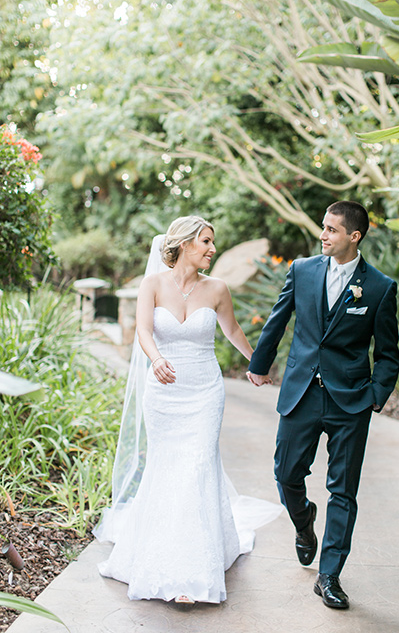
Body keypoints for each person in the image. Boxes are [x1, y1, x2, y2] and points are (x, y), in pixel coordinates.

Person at [94, 215, 280, 604]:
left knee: (196, 465)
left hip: (205, 391)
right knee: (168, 468)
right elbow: (144, 330)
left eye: (213, 242)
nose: (213, 249)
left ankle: (192, 571)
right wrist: (156, 358)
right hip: (163, 393)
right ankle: (164, 555)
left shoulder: (217, 289)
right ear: (183, 244)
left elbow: (232, 331)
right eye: (207, 242)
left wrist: (256, 364)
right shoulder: (152, 284)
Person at [247, 201, 399, 610]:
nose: (323, 235)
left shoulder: (381, 287)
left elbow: (388, 353)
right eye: (323, 227)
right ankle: (303, 522)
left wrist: (374, 397)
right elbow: (278, 319)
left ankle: (330, 575)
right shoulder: (302, 270)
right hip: (301, 392)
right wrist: (259, 365)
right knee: (285, 472)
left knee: (343, 491)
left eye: (332, 230)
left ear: (355, 236)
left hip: (350, 401)